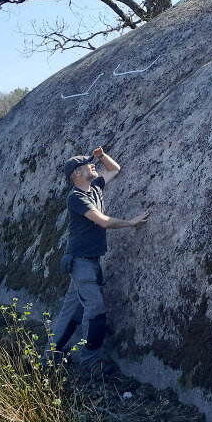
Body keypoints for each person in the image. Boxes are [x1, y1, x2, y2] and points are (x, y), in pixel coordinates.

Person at [47, 146, 148, 371]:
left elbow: (115, 168)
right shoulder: (76, 197)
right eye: (88, 164)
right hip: (81, 263)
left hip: (90, 263)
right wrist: (130, 222)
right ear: (77, 174)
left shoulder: (94, 187)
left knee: (71, 313)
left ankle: (48, 358)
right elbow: (102, 221)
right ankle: (91, 362)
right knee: (95, 310)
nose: (94, 165)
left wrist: (100, 155)